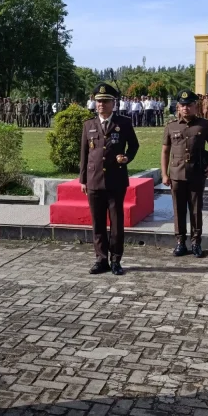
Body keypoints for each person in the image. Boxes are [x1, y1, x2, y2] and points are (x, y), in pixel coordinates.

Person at [78, 82, 139, 276]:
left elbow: (134, 146)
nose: (101, 105)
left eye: (105, 101)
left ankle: (115, 259)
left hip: (115, 180)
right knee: (97, 223)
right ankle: (101, 259)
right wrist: (83, 180)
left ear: (113, 103)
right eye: (98, 102)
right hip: (94, 180)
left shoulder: (124, 123)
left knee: (116, 222)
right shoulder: (89, 125)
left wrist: (127, 157)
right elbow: (84, 154)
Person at [161, 90, 208, 259]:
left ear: (195, 106)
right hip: (177, 174)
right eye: (182, 105)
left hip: (196, 173)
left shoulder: (204, 125)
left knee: (195, 210)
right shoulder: (171, 126)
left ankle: (196, 242)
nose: (186, 108)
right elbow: (165, 151)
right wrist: (164, 174)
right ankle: (180, 242)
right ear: (177, 107)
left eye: (189, 105)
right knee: (178, 210)